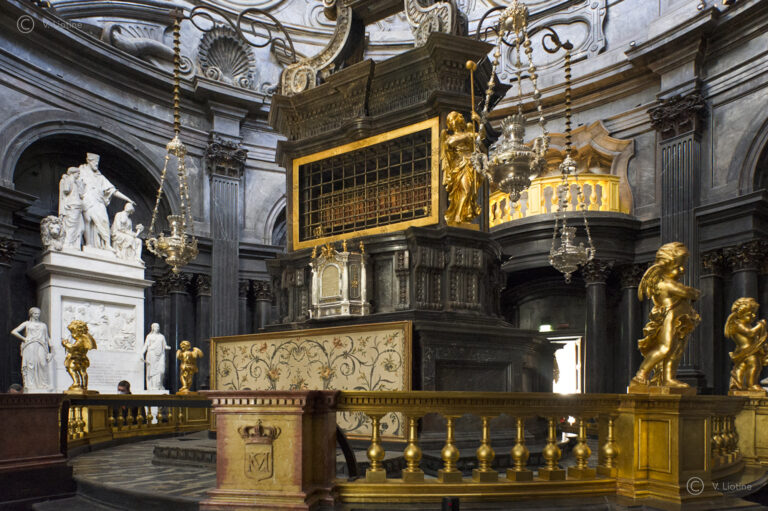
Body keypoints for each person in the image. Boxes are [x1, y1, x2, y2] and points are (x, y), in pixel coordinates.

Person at [631, 242, 701, 388]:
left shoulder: (671, 283)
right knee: (665, 347)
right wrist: (692, 292)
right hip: (670, 318)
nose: (682, 270)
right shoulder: (664, 284)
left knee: (677, 350)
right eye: (677, 267)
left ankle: (668, 378)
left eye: (683, 266)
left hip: (681, 320)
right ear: (665, 265)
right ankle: (641, 375)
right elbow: (689, 293)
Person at [78, 153, 134, 250]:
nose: (96, 165)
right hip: (88, 200)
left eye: (97, 163)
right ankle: (88, 244)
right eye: (94, 163)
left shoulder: (100, 177)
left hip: (99, 201)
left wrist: (127, 199)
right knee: (88, 220)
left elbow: (113, 190)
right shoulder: (81, 171)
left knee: (104, 221)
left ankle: (107, 244)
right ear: (89, 161)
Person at [441, 111, 484, 225]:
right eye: (459, 116)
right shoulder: (451, 138)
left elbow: (481, 137)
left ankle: (461, 215)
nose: (462, 117)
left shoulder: (469, 133)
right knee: (466, 190)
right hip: (459, 166)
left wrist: (479, 120)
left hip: (471, 164)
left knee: (469, 191)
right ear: (454, 121)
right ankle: (458, 215)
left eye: (461, 116)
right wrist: (468, 136)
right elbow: (451, 143)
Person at [724, 297, 768, 392]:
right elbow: (750, 333)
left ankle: (739, 385)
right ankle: (751, 385)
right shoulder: (737, 324)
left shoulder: (746, 324)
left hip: (749, 350)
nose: (753, 316)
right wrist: (760, 326)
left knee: (742, 367)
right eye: (750, 314)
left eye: (754, 313)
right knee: (754, 365)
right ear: (741, 313)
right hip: (747, 350)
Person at [10, 307, 53, 392]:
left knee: (42, 364)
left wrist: (50, 351)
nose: (37, 315)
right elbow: (14, 331)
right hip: (30, 345)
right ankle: (31, 384)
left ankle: (43, 384)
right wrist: (24, 339)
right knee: (31, 364)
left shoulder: (43, 325)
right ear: (31, 314)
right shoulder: (27, 323)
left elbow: (47, 338)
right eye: (35, 314)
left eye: (38, 314)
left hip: (41, 345)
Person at [62, 319, 97, 394]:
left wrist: (65, 344)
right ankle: (84, 385)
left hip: (76, 359)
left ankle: (77, 383)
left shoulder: (81, 340)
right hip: (82, 358)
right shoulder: (84, 339)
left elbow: (73, 348)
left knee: (71, 369)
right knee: (82, 371)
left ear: (78, 331)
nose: (72, 335)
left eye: (73, 332)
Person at [58, 166, 85, 249]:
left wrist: (79, 184)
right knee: (72, 226)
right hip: (72, 206)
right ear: (73, 173)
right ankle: (68, 243)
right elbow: (66, 190)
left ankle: (75, 244)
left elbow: (81, 194)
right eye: (78, 173)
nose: (79, 175)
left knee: (81, 228)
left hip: (78, 206)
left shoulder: (76, 183)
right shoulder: (68, 180)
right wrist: (69, 180)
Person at [140, 323, 170, 391]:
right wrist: (142, 353)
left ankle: (159, 384)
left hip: (161, 355)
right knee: (153, 371)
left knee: (161, 371)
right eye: (156, 327)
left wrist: (168, 347)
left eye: (158, 327)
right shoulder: (149, 336)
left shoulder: (162, 336)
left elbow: (164, 345)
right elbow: (145, 346)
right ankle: (154, 386)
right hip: (152, 354)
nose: (157, 328)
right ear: (152, 328)